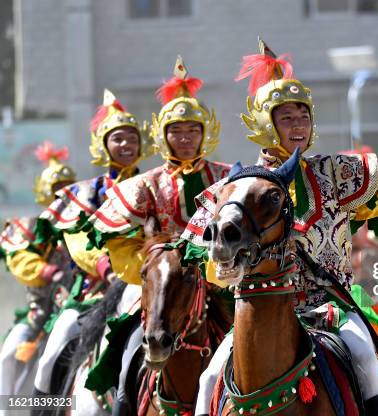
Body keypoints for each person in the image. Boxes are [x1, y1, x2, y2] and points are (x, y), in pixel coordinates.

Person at [181, 39, 378, 416]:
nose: (298, 125)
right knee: (208, 382)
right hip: (257, 312)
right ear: (265, 124)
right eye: (286, 118)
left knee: (370, 365)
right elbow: (204, 258)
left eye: (303, 117)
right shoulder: (234, 190)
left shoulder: (333, 172)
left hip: (331, 308)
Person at [88, 56, 230, 416]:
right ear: (164, 136)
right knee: (132, 344)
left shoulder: (228, 179)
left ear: (205, 133)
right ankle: (124, 403)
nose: (185, 138)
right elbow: (114, 238)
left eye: (192, 131)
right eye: (177, 131)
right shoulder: (145, 184)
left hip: (221, 282)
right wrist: (149, 267)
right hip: (160, 284)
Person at [31, 89, 154, 399]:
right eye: (118, 138)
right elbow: (79, 242)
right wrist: (108, 268)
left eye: (131, 138)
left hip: (150, 283)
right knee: (52, 352)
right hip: (95, 291)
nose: (126, 144)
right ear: (103, 145)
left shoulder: (154, 184)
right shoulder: (85, 193)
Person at [0, 142, 76, 401]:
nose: (60, 194)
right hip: (39, 314)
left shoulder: (82, 225)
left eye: (66, 189)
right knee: (8, 355)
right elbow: (18, 259)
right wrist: (47, 271)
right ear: (44, 193)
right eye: (55, 190)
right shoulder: (28, 227)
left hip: (79, 307)